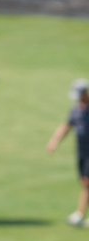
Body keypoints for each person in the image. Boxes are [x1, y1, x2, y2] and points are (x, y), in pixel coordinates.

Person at [46, 79, 89, 227]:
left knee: (87, 182)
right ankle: (81, 214)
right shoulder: (76, 111)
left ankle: (81, 214)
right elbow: (67, 126)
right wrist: (54, 141)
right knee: (85, 182)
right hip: (82, 153)